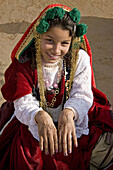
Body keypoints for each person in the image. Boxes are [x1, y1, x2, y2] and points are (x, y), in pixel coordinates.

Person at [0, 3, 113, 170]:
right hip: (34, 117)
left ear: (72, 41)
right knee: (30, 156)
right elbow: (23, 100)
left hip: (73, 115)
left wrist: (69, 113)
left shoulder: (78, 58)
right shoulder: (26, 61)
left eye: (64, 43)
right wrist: (40, 116)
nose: (56, 50)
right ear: (39, 36)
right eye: (49, 41)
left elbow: (82, 94)